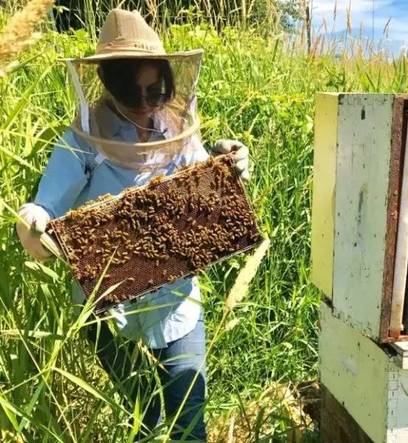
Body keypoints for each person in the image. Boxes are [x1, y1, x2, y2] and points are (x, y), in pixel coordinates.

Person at [14, 9, 249, 441]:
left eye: (154, 91)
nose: (144, 104)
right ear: (107, 84)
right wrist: (33, 220)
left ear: (167, 82)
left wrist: (227, 159)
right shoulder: (81, 142)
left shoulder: (176, 130)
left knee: (189, 420)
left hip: (178, 301)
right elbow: (44, 205)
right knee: (146, 419)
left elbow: (207, 186)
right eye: (131, 92)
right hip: (108, 310)